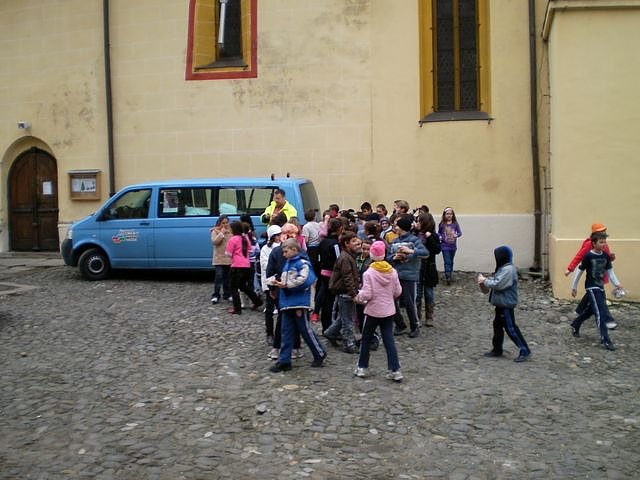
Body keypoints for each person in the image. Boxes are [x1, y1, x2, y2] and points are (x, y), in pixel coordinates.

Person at [269, 238, 327, 372]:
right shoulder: (288, 264)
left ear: (294, 250)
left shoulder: (303, 263)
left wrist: (286, 285)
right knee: (286, 331)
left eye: (286, 251)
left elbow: (306, 280)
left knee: (305, 330)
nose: (284, 254)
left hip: (299, 303)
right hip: (287, 303)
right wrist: (278, 283)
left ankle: (319, 353)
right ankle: (284, 360)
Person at [353, 241, 403, 382]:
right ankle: (395, 369)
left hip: (373, 311)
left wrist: (358, 296)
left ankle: (362, 367)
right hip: (388, 310)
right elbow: (398, 291)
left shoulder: (369, 273)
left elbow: (367, 294)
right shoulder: (392, 272)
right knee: (389, 340)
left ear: (372, 255)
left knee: (366, 339)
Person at [570, 231, 624, 351]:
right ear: (594, 243)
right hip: (591, 287)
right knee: (600, 312)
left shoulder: (605, 256)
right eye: (601, 242)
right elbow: (579, 271)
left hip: (600, 287)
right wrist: (574, 287)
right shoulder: (588, 256)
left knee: (591, 310)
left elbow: (610, 272)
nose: (603, 244)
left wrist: (617, 284)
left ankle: (576, 323)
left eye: (604, 242)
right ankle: (605, 339)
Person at [477, 246, 531, 362]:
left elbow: (499, 284)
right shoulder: (503, 268)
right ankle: (497, 349)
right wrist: (486, 281)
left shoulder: (509, 270)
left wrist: (485, 281)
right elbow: (496, 280)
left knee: (511, 328)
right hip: (500, 304)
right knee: (497, 327)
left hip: (506, 305)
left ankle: (524, 349)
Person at [565, 223, 617, 330]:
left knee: (592, 296)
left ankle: (579, 312)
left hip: (601, 274)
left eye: (604, 231)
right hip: (593, 276)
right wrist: (570, 269)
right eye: (601, 231)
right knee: (600, 298)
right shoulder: (590, 244)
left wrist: (611, 257)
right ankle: (608, 320)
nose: (604, 233)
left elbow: (606, 256)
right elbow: (579, 256)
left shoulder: (603, 243)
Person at [387, 214, 428, 338]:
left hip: (409, 276)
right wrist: (394, 257)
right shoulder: (395, 241)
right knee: (391, 301)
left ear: (402, 227)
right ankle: (400, 324)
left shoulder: (414, 240)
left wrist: (410, 251)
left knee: (410, 302)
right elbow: (388, 257)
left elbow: (425, 253)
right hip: (396, 275)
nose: (394, 227)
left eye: (396, 226)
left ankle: (414, 325)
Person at [324, 232, 362, 354]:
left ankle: (330, 333)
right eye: (353, 241)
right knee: (347, 320)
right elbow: (347, 277)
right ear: (346, 244)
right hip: (345, 292)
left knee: (344, 316)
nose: (357, 242)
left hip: (346, 291)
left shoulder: (349, 256)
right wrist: (353, 293)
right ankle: (348, 344)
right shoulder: (345, 258)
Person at [225, 221, 263, 315]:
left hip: (236, 265)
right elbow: (250, 251)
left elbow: (228, 253)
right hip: (246, 265)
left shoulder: (233, 239)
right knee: (243, 286)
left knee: (233, 287)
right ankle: (257, 301)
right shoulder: (245, 238)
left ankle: (237, 308)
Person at [317, 218, 343, 331]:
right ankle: (330, 327)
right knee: (332, 303)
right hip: (332, 275)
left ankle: (325, 326)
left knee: (326, 301)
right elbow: (339, 261)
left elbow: (318, 258)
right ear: (339, 229)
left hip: (323, 273)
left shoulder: (323, 242)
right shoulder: (335, 244)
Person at [415, 213, 441, 327]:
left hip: (429, 267)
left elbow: (437, 250)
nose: (417, 223)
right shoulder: (415, 234)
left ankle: (429, 317)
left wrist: (429, 238)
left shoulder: (433, 235)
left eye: (419, 221)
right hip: (417, 267)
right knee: (417, 293)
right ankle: (417, 317)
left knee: (429, 293)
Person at [260, 224, 282, 352]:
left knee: (280, 308)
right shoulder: (265, 249)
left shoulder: (282, 247)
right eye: (277, 235)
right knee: (269, 309)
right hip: (270, 282)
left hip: (279, 282)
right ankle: (269, 333)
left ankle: (279, 332)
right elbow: (265, 265)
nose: (279, 237)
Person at [210, 215, 232, 304]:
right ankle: (216, 295)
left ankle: (227, 294)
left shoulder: (231, 231)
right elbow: (215, 242)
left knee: (228, 277)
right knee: (219, 277)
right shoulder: (215, 231)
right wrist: (221, 233)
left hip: (228, 258)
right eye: (223, 223)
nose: (225, 225)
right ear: (219, 223)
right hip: (219, 258)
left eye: (226, 223)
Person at [438, 207, 462, 284]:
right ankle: (447, 275)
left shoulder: (455, 224)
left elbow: (460, 233)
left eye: (450, 214)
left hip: (453, 246)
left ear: (453, 215)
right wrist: (440, 236)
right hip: (444, 246)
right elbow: (439, 232)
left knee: (451, 261)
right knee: (447, 261)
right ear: (444, 215)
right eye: (447, 214)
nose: (449, 215)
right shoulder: (442, 224)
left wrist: (456, 235)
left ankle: (450, 274)